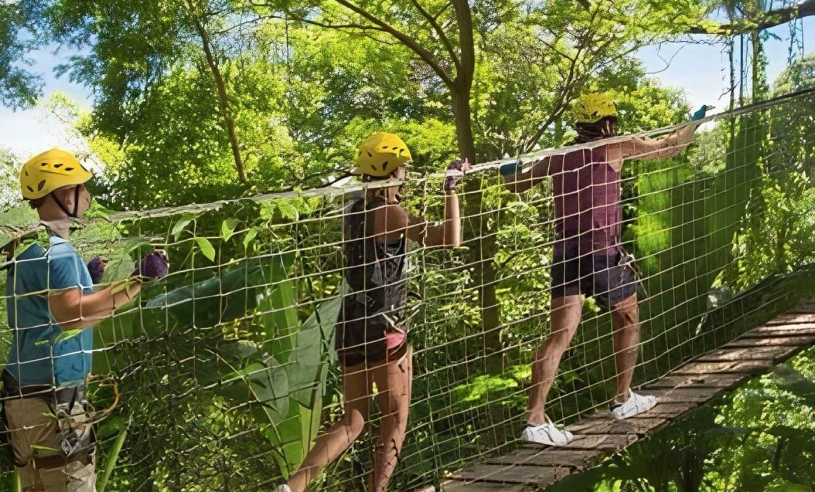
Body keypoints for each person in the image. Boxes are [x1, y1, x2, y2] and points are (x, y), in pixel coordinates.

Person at [504, 92, 709, 446]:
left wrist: (508, 167)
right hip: (602, 253)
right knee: (628, 316)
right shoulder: (617, 145)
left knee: (559, 334)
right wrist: (694, 123)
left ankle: (534, 420)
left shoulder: (559, 155)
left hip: (566, 253)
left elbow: (516, 185)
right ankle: (623, 398)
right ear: (607, 122)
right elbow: (670, 147)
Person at [278, 133, 467, 492]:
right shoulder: (390, 213)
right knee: (396, 418)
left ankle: (291, 488)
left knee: (354, 419)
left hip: (350, 322)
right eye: (404, 167)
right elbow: (451, 238)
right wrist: (451, 190)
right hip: (384, 325)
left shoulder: (353, 210)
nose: (407, 173)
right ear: (394, 170)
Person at [0, 148, 169, 492]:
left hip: (24, 401)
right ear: (60, 194)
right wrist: (139, 282)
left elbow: (60, 317)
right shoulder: (57, 251)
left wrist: (90, 286)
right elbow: (71, 316)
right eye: (79, 188)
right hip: (53, 406)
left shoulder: (28, 247)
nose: (87, 197)